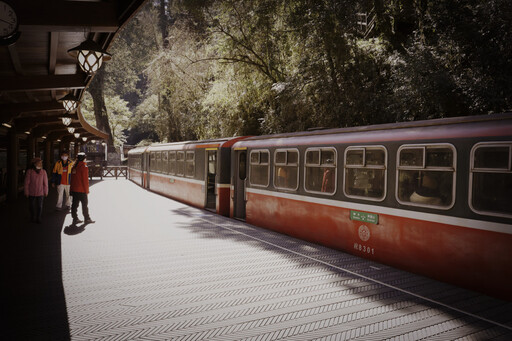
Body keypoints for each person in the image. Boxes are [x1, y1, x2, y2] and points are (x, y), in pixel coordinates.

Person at [70, 152, 94, 224]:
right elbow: (85, 180)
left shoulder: (74, 166)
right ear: (84, 158)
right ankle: (87, 218)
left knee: (74, 205)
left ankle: (75, 218)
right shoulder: (84, 167)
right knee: (84, 205)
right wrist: (87, 190)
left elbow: (72, 179)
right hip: (82, 190)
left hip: (74, 189)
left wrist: (71, 189)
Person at [24, 157, 48, 223]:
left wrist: (46, 191)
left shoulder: (43, 172)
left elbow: (45, 183)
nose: (40, 164)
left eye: (41, 163)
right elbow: (26, 183)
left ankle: (38, 217)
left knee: (39, 206)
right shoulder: (30, 172)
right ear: (34, 164)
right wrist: (26, 191)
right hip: (31, 192)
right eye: (39, 163)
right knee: (31, 205)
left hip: (40, 192)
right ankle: (32, 216)